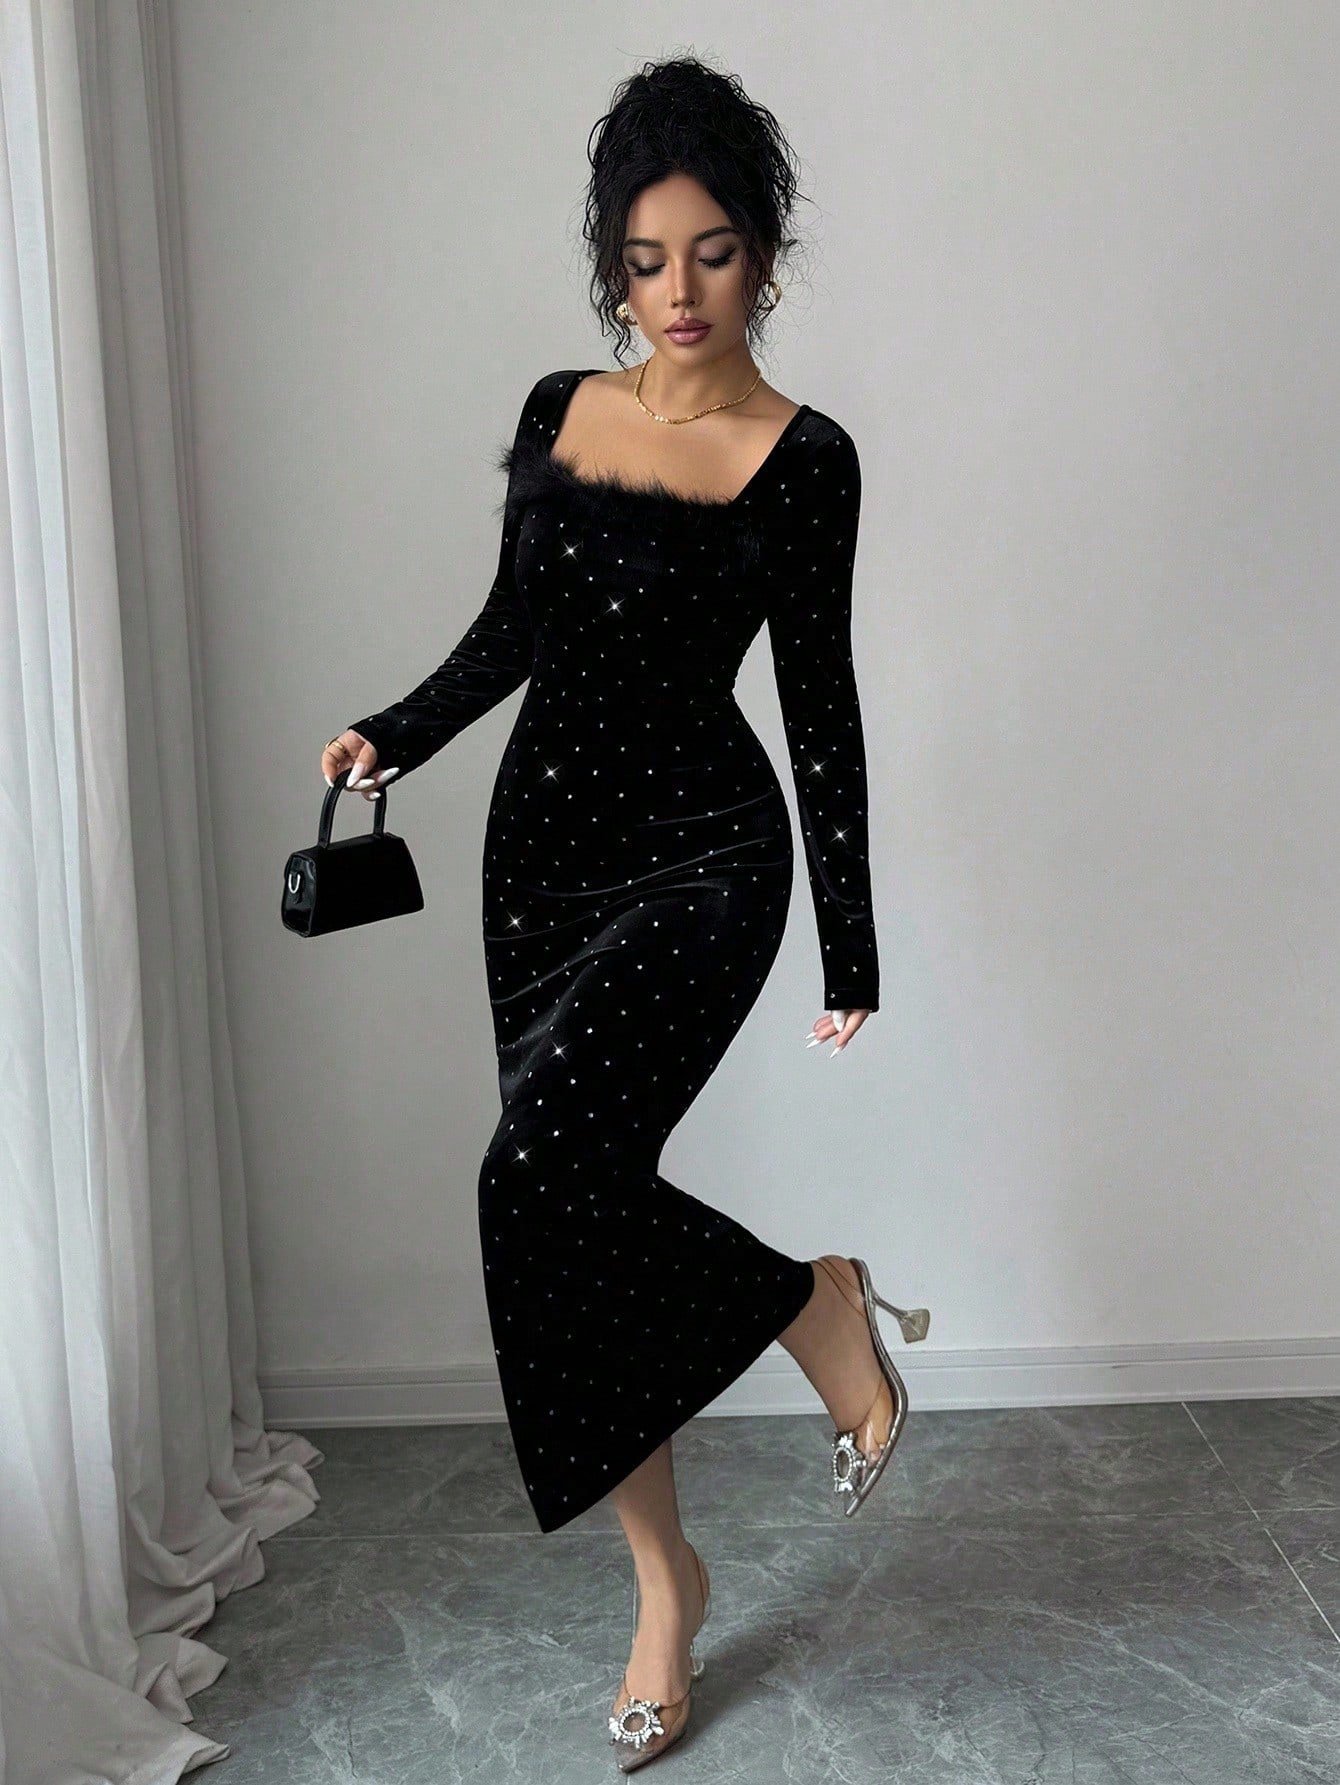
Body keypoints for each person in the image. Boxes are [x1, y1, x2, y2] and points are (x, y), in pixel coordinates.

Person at [322, 55, 929, 1773]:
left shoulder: (807, 460)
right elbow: (510, 630)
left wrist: (850, 940)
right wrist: (394, 734)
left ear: (764, 257)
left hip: (705, 856)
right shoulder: (560, 409)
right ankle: (669, 1576)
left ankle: (817, 1309)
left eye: (713, 254)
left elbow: (820, 706)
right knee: (565, 1224)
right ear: (614, 263)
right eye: (648, 259)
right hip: (540, 861)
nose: (679, 292)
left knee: (533, 1178)